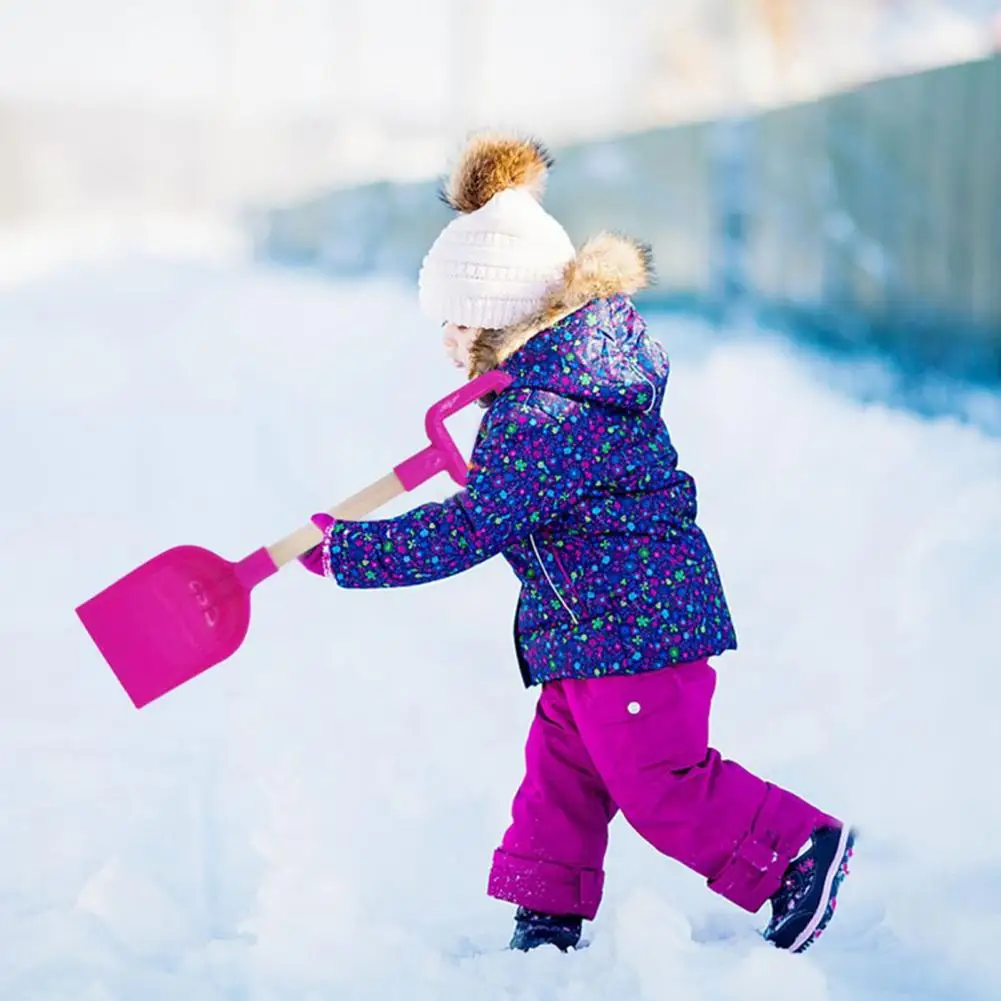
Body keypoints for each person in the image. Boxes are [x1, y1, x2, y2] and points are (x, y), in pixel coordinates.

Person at [299, 133, 855, 955]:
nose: (446, 341)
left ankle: (796, 854)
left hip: (634, 627)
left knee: (659, 784)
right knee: (561, 771)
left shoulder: (546, 409)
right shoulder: (550, 387)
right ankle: (546, 910)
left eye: (457, 322)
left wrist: (359, 552)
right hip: (591, 628)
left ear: (502, 315)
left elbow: (476, 522)